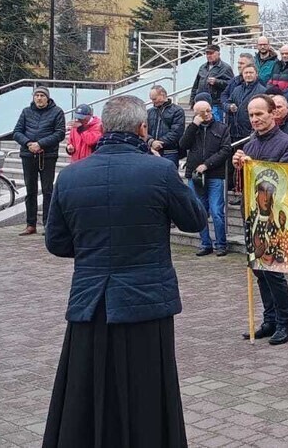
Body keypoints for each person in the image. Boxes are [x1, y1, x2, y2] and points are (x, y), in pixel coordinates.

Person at [42, 95, 206, 447]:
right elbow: (194, 221)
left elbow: (56, 243)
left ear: (104, 126)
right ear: (143, 128)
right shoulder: (159, 170)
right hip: (146, 301)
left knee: (86, 391)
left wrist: (92, 249)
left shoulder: (70, 177)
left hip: (91, 301)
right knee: (148, 391)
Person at [234, 95, 288, 346]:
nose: (255, 119)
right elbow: (243, 185)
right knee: (259, 272)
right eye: (251, 115)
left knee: (274, 272)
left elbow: (286, 180)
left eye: (260, 114)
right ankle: (269, 319)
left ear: (273, 113)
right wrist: (239, 167)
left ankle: (286, 323)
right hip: (252, 217)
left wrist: (256, 167)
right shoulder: (251, 144)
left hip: (274, 219)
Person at [180, 99, 233, 256]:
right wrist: (194, 125)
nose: (208, 114)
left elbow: (225, 150)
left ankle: (221, 244)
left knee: (216, 211)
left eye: (209, 110)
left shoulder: (221, 128)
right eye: (203, 112)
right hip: (195, 176)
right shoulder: (192, 129)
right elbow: (183, 145)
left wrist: (207, 164)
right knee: (199, 210)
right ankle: (205, 243)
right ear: (197, 114)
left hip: (215, 175)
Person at [12, 87, 66, 236]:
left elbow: (60, 133)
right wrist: (29, 143)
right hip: (28, 155)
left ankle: (48, 224)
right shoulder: (26, 112)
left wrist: (41, 144)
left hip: (47, 156)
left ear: (47, 98)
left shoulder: (57, 112)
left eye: (42, 95)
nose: (39, 98)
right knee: (30, 190)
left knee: (48, 190)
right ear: (33, 97)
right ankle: (31, 224)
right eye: (37, 95)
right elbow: (16, 132)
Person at [146, 85, 185, 167]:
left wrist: (158, 143)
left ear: (162, 95)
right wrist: (151, 142)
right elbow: (143, 130)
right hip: (152, 151)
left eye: (154, 99)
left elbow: (176, 132)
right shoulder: (149, 112)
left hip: (170, 152)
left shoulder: (177, 111)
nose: (153, 102)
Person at [225, 64, 265, 143]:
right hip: (234, 132)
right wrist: (229, 107)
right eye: (246, 73)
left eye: (251, 72)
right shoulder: (237, 89)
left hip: (250, 134)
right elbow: (227, 102)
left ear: (256, 74)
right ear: (242, 75)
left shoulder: (262, 91)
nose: (248, 75)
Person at [192, 44, 233, 112]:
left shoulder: (226, 68)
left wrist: (216, 82)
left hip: (216, 104)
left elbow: (231, 84)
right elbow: (196, 85)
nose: (209, 56)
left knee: (216, 122)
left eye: (211, 53)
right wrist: (192, 101)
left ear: (218, 54)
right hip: (201, 102)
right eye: (207, 53)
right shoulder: (202, 67)